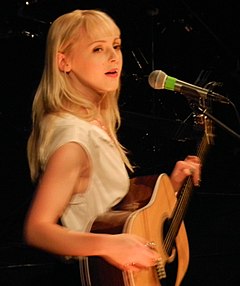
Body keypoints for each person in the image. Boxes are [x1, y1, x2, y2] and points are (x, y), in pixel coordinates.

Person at [24, 8, 201, 278]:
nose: (113, 57)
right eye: (97, 49)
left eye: (115, 46)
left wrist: (168, 188)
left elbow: (112, 214)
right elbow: (37, 229)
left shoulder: (93, 124)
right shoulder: (74, 140)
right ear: (64, 61)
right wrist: (108, 245)